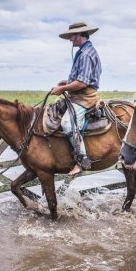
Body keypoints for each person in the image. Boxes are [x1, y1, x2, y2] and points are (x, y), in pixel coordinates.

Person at [51, 22, 102, 176]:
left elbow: (82, 82)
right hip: (79, 95)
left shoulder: (86, 54)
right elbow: (80, 78)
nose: (70, 39)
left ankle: (82, 160)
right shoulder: (84, 51)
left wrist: (62, 89)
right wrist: (66, 83)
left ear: (80, 35)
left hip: (85, 97)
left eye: (71, 36)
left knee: (67, 124)